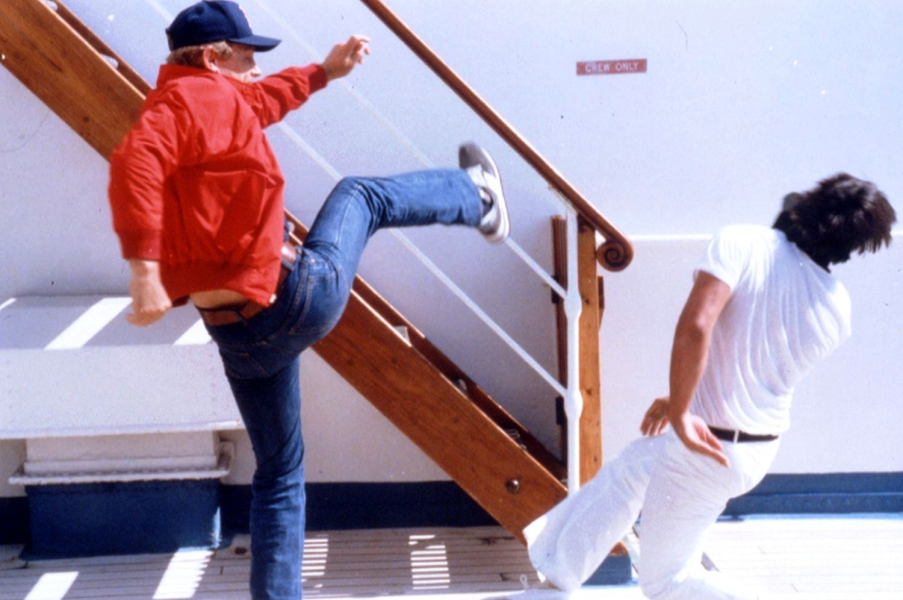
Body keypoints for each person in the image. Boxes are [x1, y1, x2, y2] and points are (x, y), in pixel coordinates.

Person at [107, 2, 510, 598]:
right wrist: (144, 273)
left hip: (238, 338)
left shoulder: (202, 100)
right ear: (213, 57)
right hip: (297, 298)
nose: (255, 68)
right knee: (361, 196)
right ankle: (478, 198)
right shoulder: (189, 102)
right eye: (248, 56)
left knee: (278, 474)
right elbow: (134, 165)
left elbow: (266, 98)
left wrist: (323, 72)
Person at [523, 173, 896, 599]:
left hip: (705, 448)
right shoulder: (837, 308)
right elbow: (751, 363)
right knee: (632, 468)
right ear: (856, 246)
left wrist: (682, 412)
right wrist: (679, 399)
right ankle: (557, 573)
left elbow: (699, 326)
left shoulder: (742, 242)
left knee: (667, 582)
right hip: (750, 449)